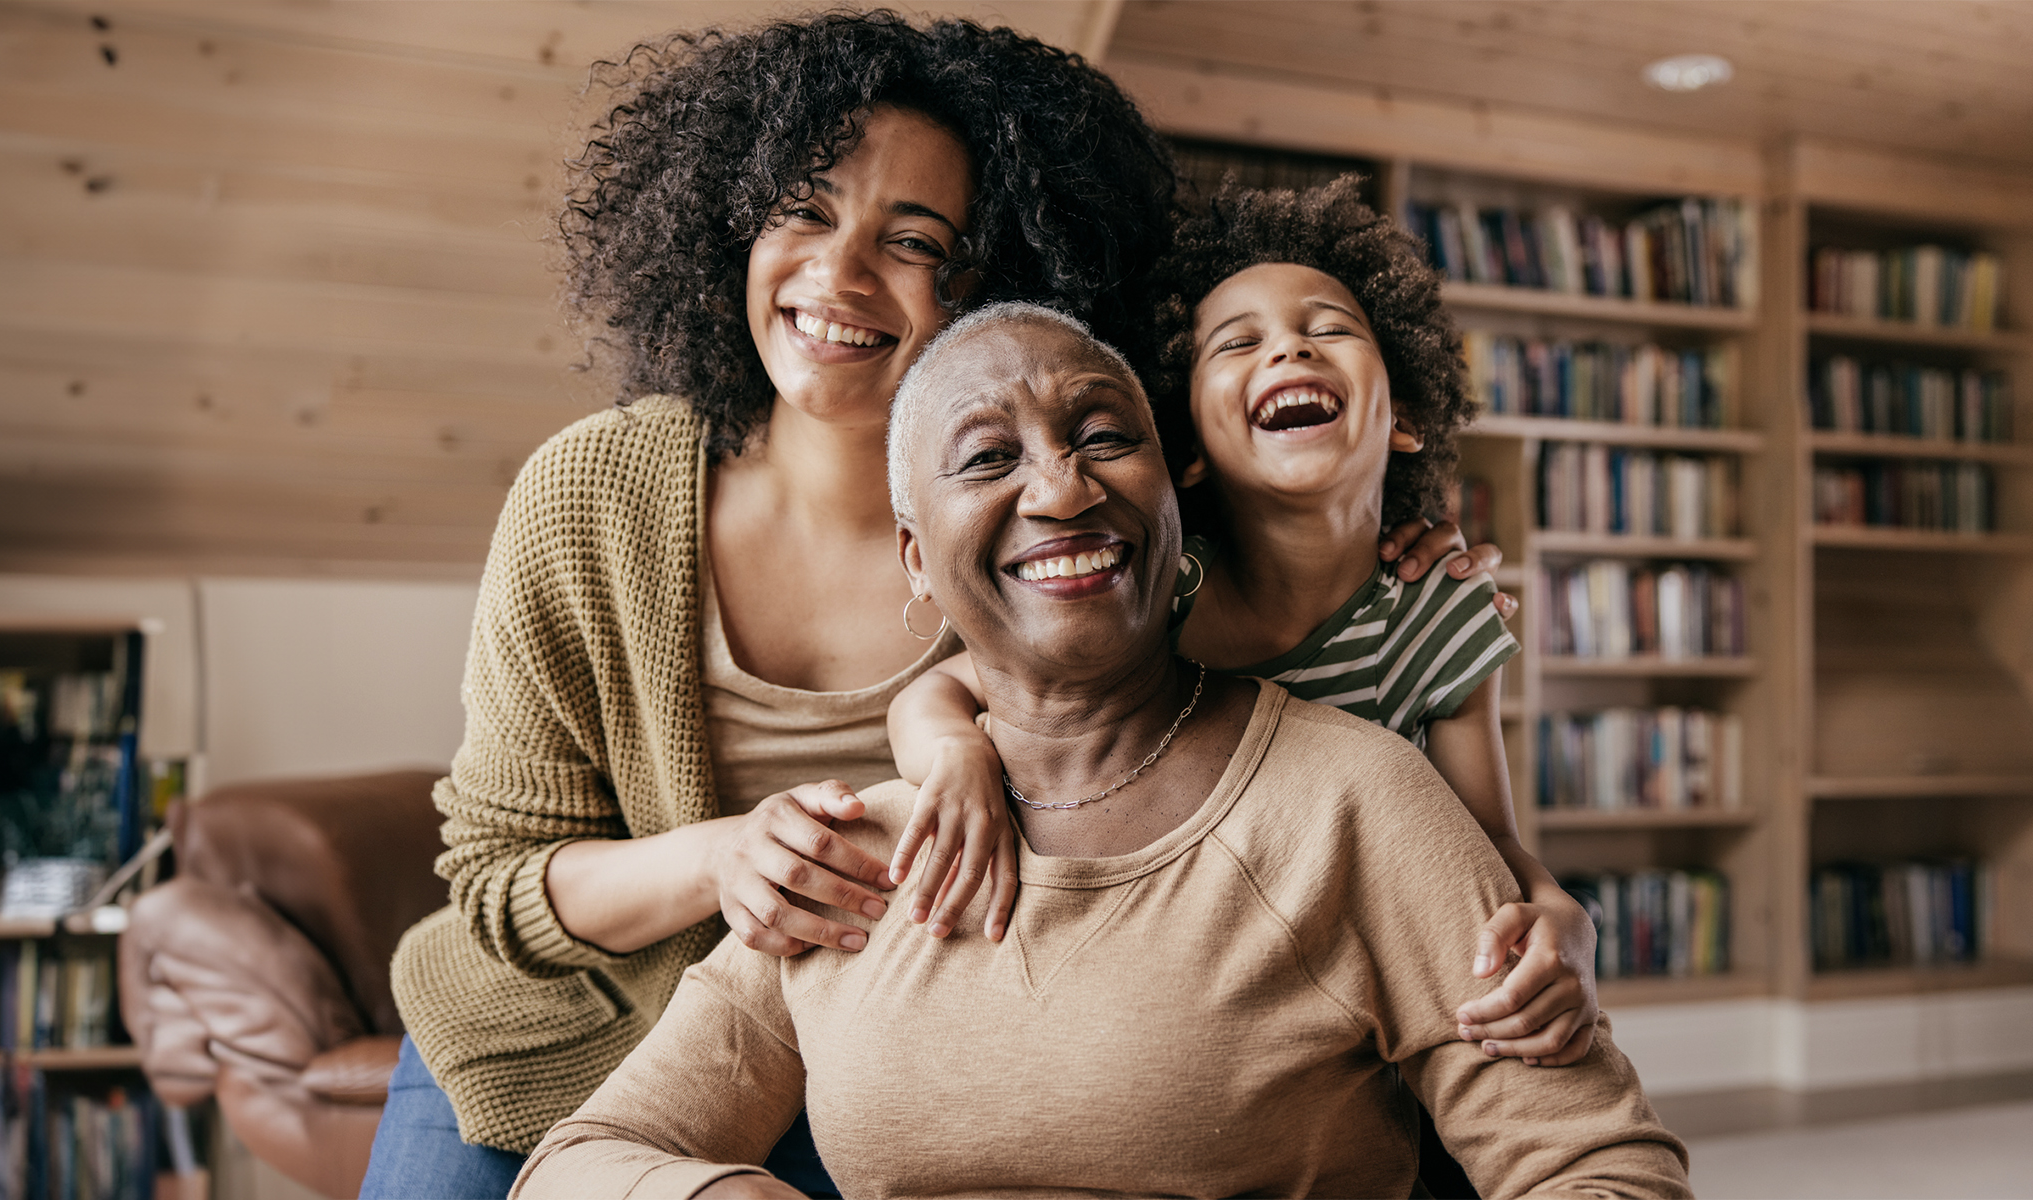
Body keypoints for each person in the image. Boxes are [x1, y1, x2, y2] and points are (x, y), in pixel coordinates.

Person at [365, 13, 1487, 1198]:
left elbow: (1305, 631)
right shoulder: (592, 494)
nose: (838, 277)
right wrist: (730, 859)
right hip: (540, 1043)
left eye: (913, 240)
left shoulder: (1067, 529)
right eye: (802, 209)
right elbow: (498, 880)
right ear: (729, 222)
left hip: (872, 1043)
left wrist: (1418, 561)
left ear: (997, 278)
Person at [513, 302, 1690, 1199]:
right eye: (987, 457)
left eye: (1102, 437)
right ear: (918, 560)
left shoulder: (1355, 798)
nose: (1061, 489)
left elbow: (1600, 1169)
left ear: (1177, 503)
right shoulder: (849, 855)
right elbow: (584, 1159)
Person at [887, 179, 1596, 1067]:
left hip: (1348, 990)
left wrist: (1565, 919)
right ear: (1183, 449)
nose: (1291, 346)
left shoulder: (1440, 613)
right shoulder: (1154, 591)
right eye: (1239, 342)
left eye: (1329, 327)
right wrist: (955, 755)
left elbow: (1486, 845)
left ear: (1404, 413)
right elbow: (939, 694)